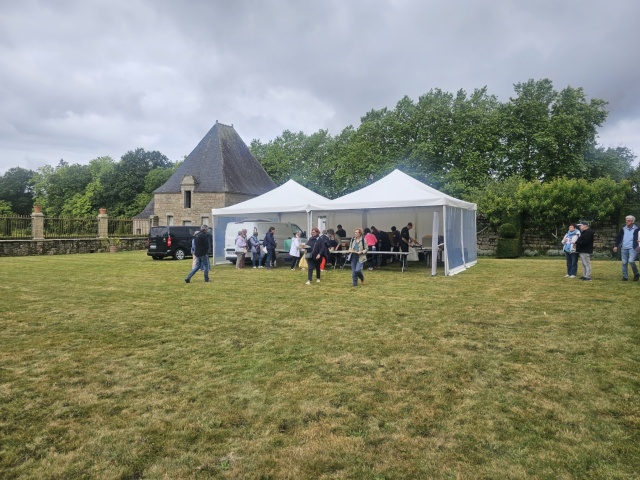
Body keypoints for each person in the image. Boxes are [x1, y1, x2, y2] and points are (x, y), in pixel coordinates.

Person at [613, 215, 639, 281]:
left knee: (631, 261)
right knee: (624, 262)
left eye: (628, 220)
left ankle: (636, 274)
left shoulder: (637, 229)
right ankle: (625, 277)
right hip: (624, 247)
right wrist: (616, 246)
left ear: (632, 221)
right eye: (626, 220)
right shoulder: (623, 228)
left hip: (633, 248)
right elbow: (619, 237)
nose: (626, 221)